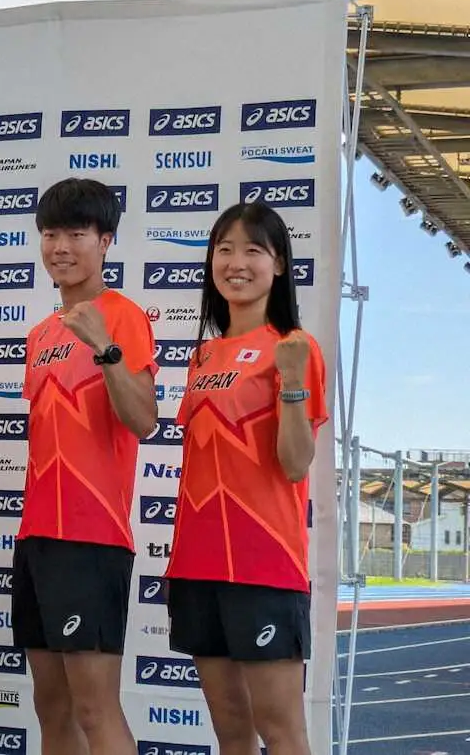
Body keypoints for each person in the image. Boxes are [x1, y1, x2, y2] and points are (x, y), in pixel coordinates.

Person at [165, 202, 327, 755]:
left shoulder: (294, 347)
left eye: (253, 250)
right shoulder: (203, 356)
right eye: (224, 249)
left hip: (264, 565)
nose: (236, 263)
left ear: (278, 264)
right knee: (230, 731)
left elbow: (296, 463)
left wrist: (291, 381)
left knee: (282, 732)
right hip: (197, 565)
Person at [12, 178, 158, 755]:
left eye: (76, 234)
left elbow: (143, 420)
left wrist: (105, 348)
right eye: (51, 234)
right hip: (37, 537)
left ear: (105, 242)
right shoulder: (41, 333)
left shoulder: (123, 317)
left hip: (93, 536)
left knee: (95, 708)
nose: (61, 247)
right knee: (51, 707)